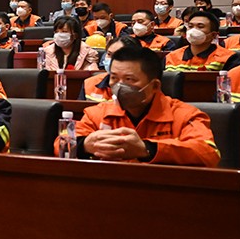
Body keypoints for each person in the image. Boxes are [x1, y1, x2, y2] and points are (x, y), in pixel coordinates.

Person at [66, 45, 219, 167]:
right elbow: (62, 143)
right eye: (114, 78)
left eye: (129, 79)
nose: (119, 86)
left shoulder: (185, 115)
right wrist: (84, 145)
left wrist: (146, 149)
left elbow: (208, 153)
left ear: (155, 86)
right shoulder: (97, 113)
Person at [164, 8, 240, 73]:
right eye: (190, 26)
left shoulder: (228, 57)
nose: (193, 30)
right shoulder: (170, 57)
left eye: (200, 26)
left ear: (213, 35)